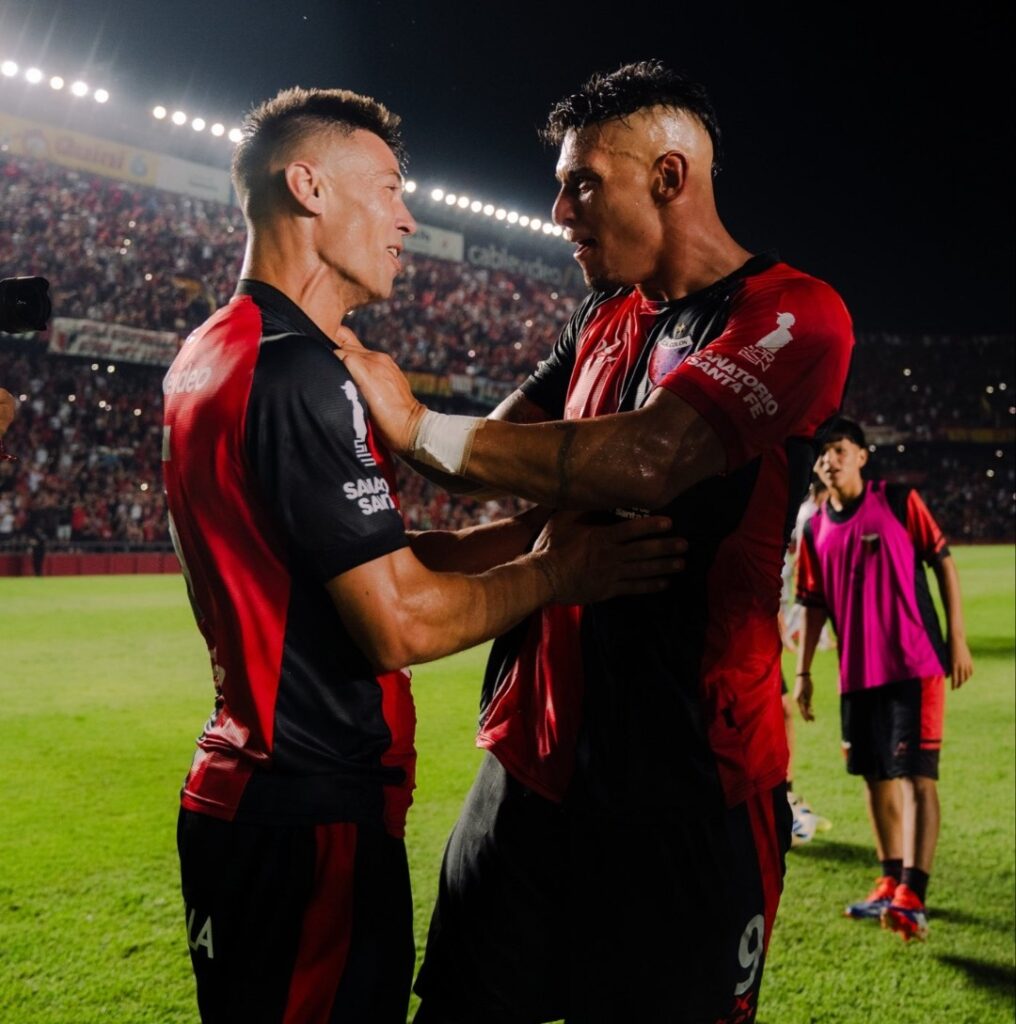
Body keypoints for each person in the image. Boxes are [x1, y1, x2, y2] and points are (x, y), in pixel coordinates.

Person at [339, 61, 855, 1023]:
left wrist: (416, 424)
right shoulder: (601, 314)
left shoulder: (794, 314)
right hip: (530, 768)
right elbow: (481, 460)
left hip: (691, 786)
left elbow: (654, 457)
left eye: (583, 183)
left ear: (669, 176)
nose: (559, 210)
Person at [160, 86, 682, 1024]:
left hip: (252, 803)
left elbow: (360, 559)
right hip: (308, 815)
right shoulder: (296, 371)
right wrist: (558, 572)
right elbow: (397, 620)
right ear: (308, 187)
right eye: (390, 189)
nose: (407, 219)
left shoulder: (213, 350)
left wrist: (530, 531)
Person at [794, 417, 974, 942]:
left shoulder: (897, 500)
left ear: (862, 456)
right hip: (857, 675)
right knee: (875, 779)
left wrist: (957, 638)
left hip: (914, 666)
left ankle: (913, 896)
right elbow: (812, 605)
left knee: (916, 776)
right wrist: (803, 672)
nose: (830, 460)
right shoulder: (814, 529)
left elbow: (943, 562)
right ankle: (890, 881)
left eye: (840, 450)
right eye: (823, 454)